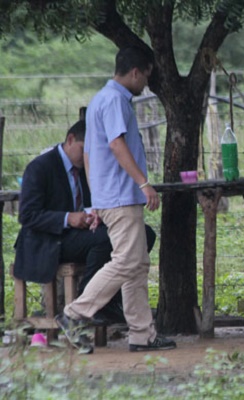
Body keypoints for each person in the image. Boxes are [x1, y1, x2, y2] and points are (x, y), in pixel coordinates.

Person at [55, 46, 176, 354]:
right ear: (135, 72)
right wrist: (144, 183)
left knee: (137, 264)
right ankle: (75, 313)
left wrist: (95, 200)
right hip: (122, 196)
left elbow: (88, 153)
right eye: (146, 76)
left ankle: (141, 333)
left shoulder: (102, 99)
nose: (146, 83)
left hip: (111, 195)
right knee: (127, 262)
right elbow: (115, 144)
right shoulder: (114, 101)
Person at [13, 120, 156, 324]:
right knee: (106, 241)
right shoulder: (40, 167)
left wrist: (95, 214)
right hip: (49, 239)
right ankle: (89, 305)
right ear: (70, 140)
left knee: (142, 234)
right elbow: (27, 216)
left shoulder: (88, 168)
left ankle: (105, 302)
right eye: (83, 149)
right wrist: (67, 218)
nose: (88, 155)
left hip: (81, 234)